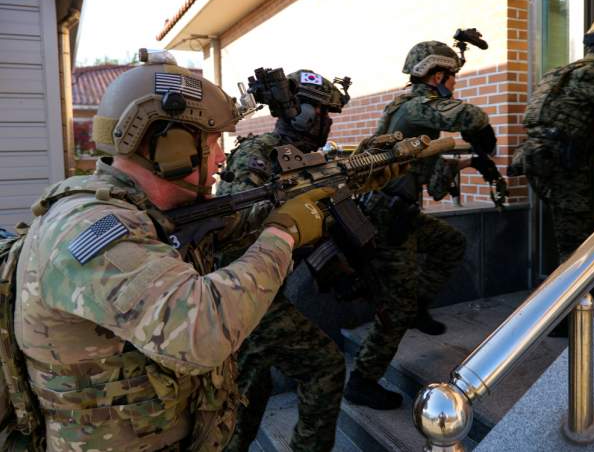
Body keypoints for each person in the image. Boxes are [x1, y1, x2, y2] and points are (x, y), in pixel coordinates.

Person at [12, 51, 332, 451]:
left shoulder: (146, 210)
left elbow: (223, 223)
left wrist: (300, 199)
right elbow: (202, 329)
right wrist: (284, 232)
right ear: (172, 147)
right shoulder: (91, 227)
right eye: (213, 142)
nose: (220, 158)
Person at [344, 41, 501, 410]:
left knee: (450, 243)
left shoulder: (418, 121)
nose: (455, 85)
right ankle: (363, 381)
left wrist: (471, 165)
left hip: (402, 214)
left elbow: (434, 184)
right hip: (386, 219)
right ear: (436, 75)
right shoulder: (415, 106)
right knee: (395, 309)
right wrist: (484, 141)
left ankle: (418, 305)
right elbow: (470, 118)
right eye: (452, 78)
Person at [216, 70, 350, 452]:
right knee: (325, 367)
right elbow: (242, 221)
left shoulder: (302, 157)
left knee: (249, 392)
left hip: (255, 290)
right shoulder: (259, 153)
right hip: (242, 290)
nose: (326, 122)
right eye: (323, 113)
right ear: (302, 112)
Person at [509, 16, 594, 336]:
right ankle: (563, 318)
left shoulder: (564, 71)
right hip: (562, 167)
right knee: (579, 246)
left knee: (571, 240)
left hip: (542, 162)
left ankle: (562, 313)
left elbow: (570, 126)